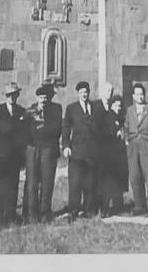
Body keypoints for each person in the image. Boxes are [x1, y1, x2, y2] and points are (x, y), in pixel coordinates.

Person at [23, 85, 62, 223]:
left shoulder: (56, 109)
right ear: (37, 98)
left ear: (50, 98)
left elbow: (56, 129)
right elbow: (25, 130)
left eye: (46, 97)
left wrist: (41, 127)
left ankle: (45, 212)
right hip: (33, 148)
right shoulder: (29, 111)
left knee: (47, 182)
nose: (44, 100)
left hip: (48, 149)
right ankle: (32, 214)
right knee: (32, 183)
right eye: (41, 97)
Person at [0, 82, 27, 224]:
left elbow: (23, 134)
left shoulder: (21, 111)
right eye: (9, 95)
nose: (12, 98)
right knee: (0, 185)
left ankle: (10, 214)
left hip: (15, 156)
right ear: (5, 96)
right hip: (0, 156)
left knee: (13, 185)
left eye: (14, 95)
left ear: (17, 95)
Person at [62, 80, 98, 220]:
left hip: (91, 152)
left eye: (86, 92)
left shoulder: (95, 107)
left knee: (90, 183)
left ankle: (89, 209)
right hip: (76, 152)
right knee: (75, 183)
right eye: (81, 92)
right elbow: (66, 129)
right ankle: (73, 210)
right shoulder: (72, 108)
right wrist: (66, 146)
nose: (84, 95)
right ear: (77, 94)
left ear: (89, 93)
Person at [124, 82, 148, 217]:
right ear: (133, 96)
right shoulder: (129, 110)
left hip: (146, 145)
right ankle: (139, 206)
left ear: (144, 95)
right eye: (137, 94)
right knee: (135, 177)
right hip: (133, 146)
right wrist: (127, 140)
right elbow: (126, 127)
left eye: (142, 94)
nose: (140, 97)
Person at [100, 94, 128, 216]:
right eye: (115, 105)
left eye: (120, 105)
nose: (118, 108)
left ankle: (118, 207)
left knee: (119, 180)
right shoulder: (106, 117)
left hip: (120, 154)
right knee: (108, 181)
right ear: (111, 106)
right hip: (108, 154)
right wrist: (114, 132)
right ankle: (104, 208)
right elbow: (103, 132)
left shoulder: (122, 118)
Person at [92, 81, 114, 215]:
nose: (109, 93)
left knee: (107, 179)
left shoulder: (113, 107)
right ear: (102, 92)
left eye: (111, 91)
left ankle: (105, 207)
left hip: (109, 149)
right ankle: (95, 207)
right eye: (107, 91)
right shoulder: (95, 106)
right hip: (97, 148)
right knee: (96, 178)